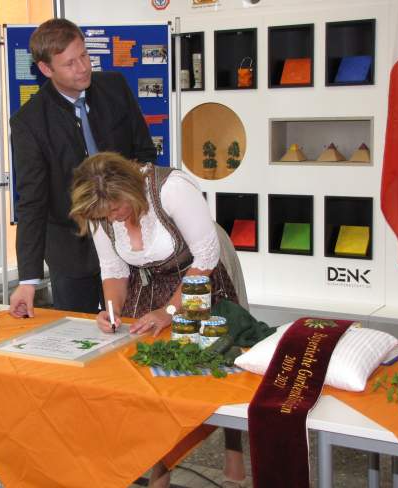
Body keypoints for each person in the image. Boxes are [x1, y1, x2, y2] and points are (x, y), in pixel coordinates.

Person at [69, 152, 248, 488]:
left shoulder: (171, 189)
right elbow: (113, 270)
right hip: (149, 285)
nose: (112, 218)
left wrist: (169, 312)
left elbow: (206, 256)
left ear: (130, 189)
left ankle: (233, 454)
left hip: (199, 277)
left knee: (219, 367)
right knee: (156, 381)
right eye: (104, 214)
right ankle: (160, 470)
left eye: (116, 209)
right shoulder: (101, 211)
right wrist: (112, 311)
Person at [9, 18, 156, 318]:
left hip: (129, 235)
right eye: (70, 63)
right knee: (78, 331)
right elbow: (32, 202)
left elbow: (144, 155)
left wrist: (138, 211)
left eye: (84, 55)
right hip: (71, 251)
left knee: (135, 323)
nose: (83, 67)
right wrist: (28, 280)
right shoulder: (30, 122)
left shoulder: (115, 87)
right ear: (46, 69)